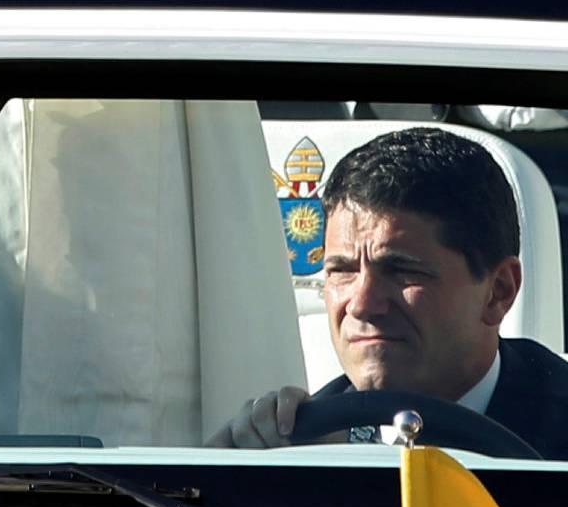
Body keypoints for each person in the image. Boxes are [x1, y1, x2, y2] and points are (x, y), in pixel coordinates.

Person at [213, 128, 568, 454]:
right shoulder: (291, 446)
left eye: (402, 271)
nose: (363, 305)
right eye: (342, 270)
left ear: (499, 292)